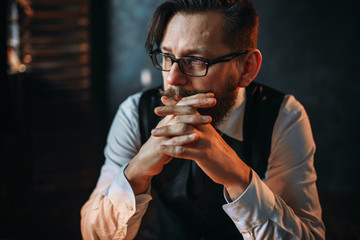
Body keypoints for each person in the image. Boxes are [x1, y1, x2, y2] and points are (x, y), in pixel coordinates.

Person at [81, 0, 325, 239]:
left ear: (247, 68)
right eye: (167, 57)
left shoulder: (283, 117)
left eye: (195, 61)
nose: (172, 79)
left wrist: (239, 178)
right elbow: (94, 234)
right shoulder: (134, 112)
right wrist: (136, 172)